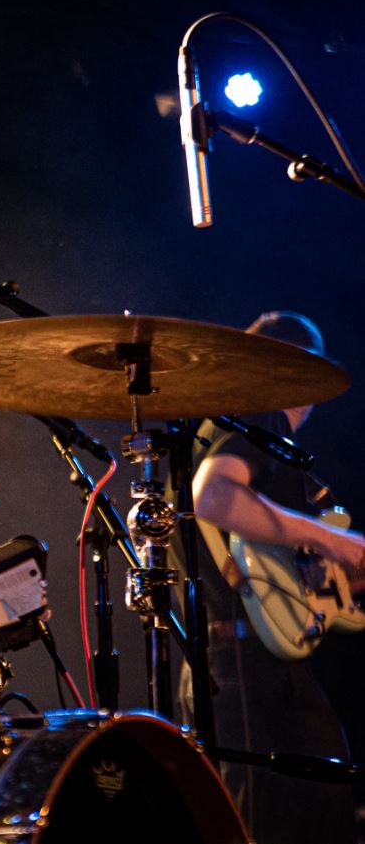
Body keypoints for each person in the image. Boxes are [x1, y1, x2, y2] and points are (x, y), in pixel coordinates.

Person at [186, 310, 364, 844]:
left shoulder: (209, 431)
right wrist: (334, 540)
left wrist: (339, 572)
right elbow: (214, 496)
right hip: (255, 675)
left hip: (223, 666)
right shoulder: (259, 416)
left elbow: (272, 568)